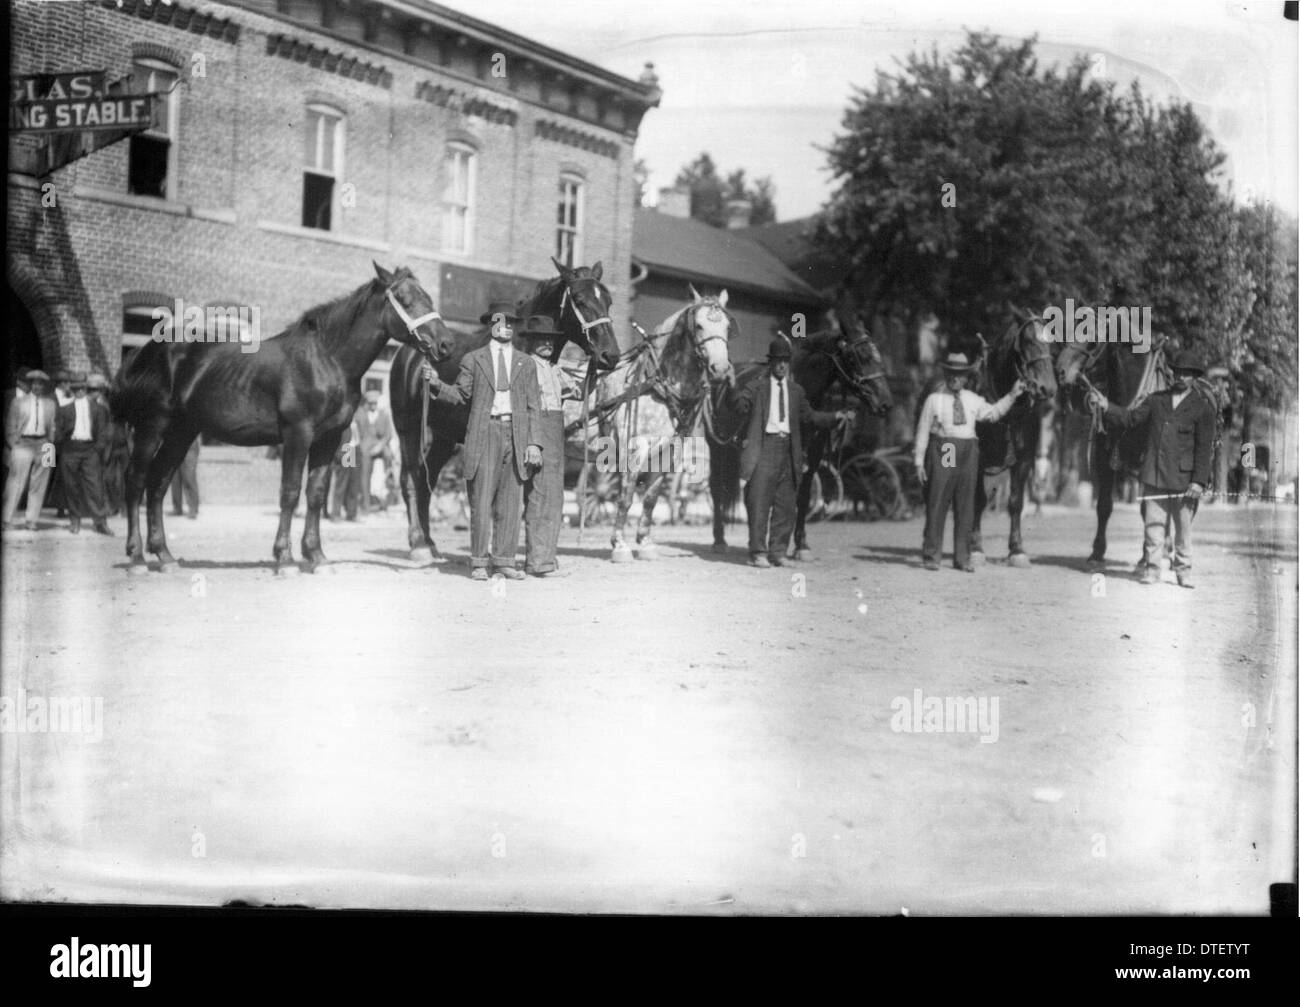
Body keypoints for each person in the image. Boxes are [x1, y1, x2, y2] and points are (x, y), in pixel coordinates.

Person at [421, 300, 542, 580]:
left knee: (511, 501)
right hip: (485, 431)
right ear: (490, 325)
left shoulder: (526, 363)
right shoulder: (474, 359)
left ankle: (504, 561)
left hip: (517, 434)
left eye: (511, 322)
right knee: (482, 497)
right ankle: (478, 562)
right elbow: (460, 395)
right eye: (500, 321)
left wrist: (534, 443)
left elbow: (534, 406)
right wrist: (437, 384)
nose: (506, 327)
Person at [1087, 348, 1217, 588]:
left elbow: (1203, 449)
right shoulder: (1156, 401)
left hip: (1184, 479)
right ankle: (1152, 568)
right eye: (1178, 372)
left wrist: (1199, 481)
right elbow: (1130, 419)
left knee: (1183, 529)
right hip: (1154, 473)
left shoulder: (1202, 409)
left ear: (1195, 377)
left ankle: (1183, 571)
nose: (1181, 377)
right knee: (1152, 526)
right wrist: (1107, 406)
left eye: (1187, 374)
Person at [728, 336, 850, 567]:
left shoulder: (796, 391)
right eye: (778, 361)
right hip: (764, 448)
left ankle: (778, 552)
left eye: (785, 361)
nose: (782, 365)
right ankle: (758, 552)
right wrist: (732, 386)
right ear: (771, 363)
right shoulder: (756, 388)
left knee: (786, 505)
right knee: (759, 502)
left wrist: (835, 416)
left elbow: (810, 416)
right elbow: (739, 407)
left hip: (789, 451)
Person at [913, 352, 1025, 572]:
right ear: (946, 375)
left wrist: (1012, 395)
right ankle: (932, 556)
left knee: (966, 505)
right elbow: (923, 430)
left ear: (966, 377)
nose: (956, 378)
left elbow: (993, 413)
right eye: (952, 374)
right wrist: (918, 461)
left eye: (960, 374)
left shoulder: (973, 399)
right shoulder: (935, 399)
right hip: (947, 447)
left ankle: (963, 558)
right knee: (939, 500)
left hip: (969, 451)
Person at [519, 315, 583, 577]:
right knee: (540, 496)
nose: (547, 343)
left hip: (555, 433)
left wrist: (588, 373)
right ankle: (537, 562)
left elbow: (576, 391)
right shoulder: (526, 366)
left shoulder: (554, 368)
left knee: (554, 498)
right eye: (541, 339)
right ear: (531, 341)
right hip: (538, 431)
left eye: (551, 340)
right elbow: (526, 408)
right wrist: (532, 443)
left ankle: (546, 557)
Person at [54, 373, 113, 535]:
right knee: (71, 486)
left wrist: (97, 450)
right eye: (75, 389)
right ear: (71, 390)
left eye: (81, 388)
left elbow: (103, 433)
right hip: (70, 450)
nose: (79, 391)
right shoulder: (64, 409)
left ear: (86, 389)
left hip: (90, 451)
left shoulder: (98, 409)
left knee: (95, 487)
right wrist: (59, 443)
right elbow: (57, 433)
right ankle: (75, 520)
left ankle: (100, 522)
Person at [2, 369, 57, 530]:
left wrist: (51, 444)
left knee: (40, 483)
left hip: (45, 444)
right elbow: (10, 426)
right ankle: (6, 519)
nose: (37, 386)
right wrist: (14, 444)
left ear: (44, 386)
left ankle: (32, 520)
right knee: (15, 481)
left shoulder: (50, 404)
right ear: (30, 384)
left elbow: (52, 426)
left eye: (40, 384)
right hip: (23, 442)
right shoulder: (18, 402)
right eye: (34, 383)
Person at [355, 388, 394, 514]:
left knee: (390, 464)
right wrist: (361, 446)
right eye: (370, 403)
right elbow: (355, 432)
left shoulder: (383, 415)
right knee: (364, 475)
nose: (373, 406)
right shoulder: (361, 414)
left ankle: (387, 500)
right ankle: (365, 505)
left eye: (375, 403)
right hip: (366, 448)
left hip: (380, 446)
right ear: (367, 403)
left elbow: (388, 434)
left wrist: (380, 446)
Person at [328, 408, 363, 522]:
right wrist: (339, 454)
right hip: (347, 450)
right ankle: (336, 513)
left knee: (354, 483)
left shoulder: (356, 422)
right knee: (342, 483)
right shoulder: (341, 423)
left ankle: (351, 513)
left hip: (356, 449)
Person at [169, 438, 200, 519]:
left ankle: (193, 509)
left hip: (190, 444)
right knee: (175, 478)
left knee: (189, 477)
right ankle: (177, 508)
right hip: (174, 445)